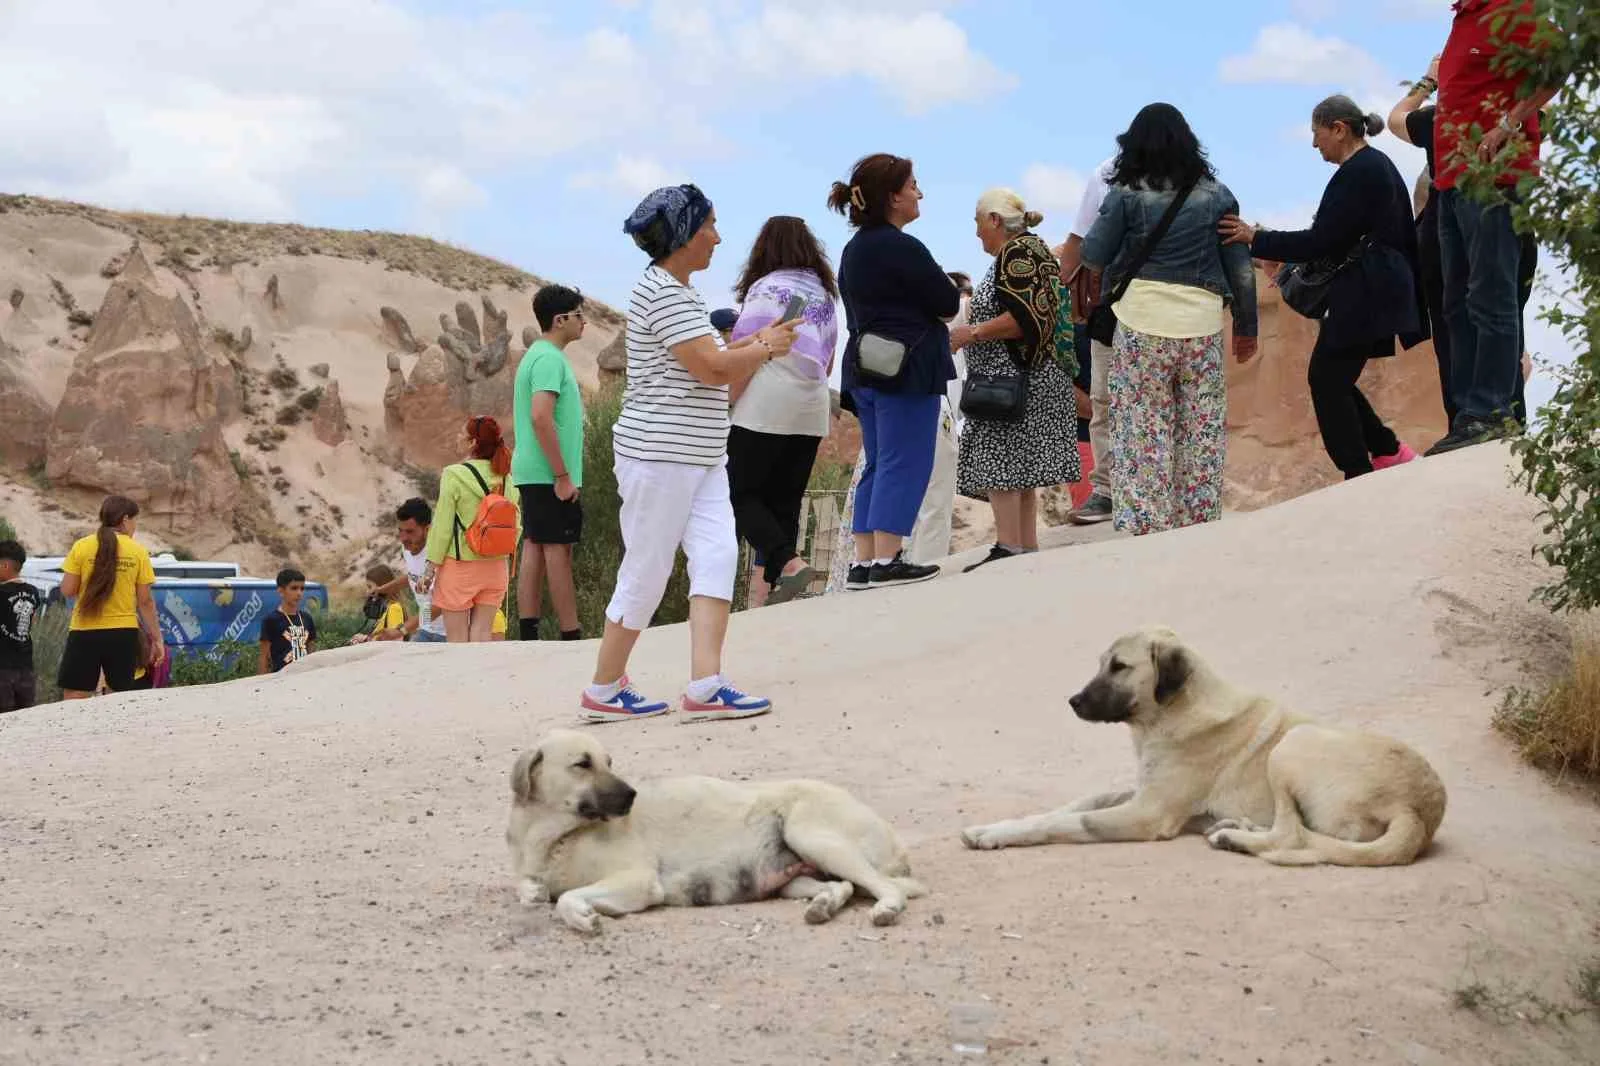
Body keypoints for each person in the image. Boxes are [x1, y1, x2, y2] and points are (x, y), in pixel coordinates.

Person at [582, 183, 800, 724]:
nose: (718, 238)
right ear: (684, 234)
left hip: (698, 455)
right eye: (709, 227)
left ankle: (705, 683)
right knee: (648, 569)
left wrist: (755, 346)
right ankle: (604, 688)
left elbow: (708, 362)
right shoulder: (664, 293)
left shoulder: (676, 292)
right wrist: (766, 348)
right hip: (660, 454)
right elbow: (711, 369)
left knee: (718, 555)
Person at [1221, 95, 1426, 481]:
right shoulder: (1372, 167)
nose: (1315, 144)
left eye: (1317, 133)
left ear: (1338, 129)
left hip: (1367, 291)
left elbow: (1322, 240)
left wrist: (1257, 238)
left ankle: (1358, 470)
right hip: (1376, 289)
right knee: (1333, 377)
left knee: (1326, 378)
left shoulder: (1360, 171)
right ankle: (1384, 450)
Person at [1083, 103, 1258, 536]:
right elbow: (1239, 268)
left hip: (1142, 322)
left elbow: (1093, 254)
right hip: (1201, 325)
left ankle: (1147, 526)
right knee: (1200, 427)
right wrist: (1247, 328)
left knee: (1142, 426)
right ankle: (1197, 522)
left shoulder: (1124, 194)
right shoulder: (1218, 195)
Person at [1426, 0, 1558, 454]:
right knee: (1457, 303)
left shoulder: (1513, 6)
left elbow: (1556, 65)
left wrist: (1507, 124)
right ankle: (1470, 415)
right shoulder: (1464, 15)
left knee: (1491, 296)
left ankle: (1492, 413)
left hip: (1495, 179)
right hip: (1452, 180)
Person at [830, 153, 961, 589]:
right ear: (892, 196)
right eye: (912, 185)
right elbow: (947, 301)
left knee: (880, 462)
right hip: (905, 368)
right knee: (905, 461)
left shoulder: (854, 249)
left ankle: (865, 562)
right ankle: (888, 560)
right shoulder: (900, 246)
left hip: (865, 367)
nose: (919, 192)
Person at [1387, 53, 1537, 431]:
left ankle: (1467, 417)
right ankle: (1509, 415)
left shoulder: (1440, 120)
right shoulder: (1520, 115)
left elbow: (1394, 119)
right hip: (1515, 222)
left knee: (1456, 324)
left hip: (1447, 229)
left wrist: (1427, 81)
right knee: (1504, 309)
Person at [949, 188, 1080, 571]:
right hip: (1031, 378)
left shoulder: (1018, 254)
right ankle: (1023, 547)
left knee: (1001, 462)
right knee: (1020, 470)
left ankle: (1008, 548)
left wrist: (969, 333)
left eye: (977, 223)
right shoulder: (1032, 250)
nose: (976, 234)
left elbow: (1024, 320)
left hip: (1012, 381)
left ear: (993, 220)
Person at [725, 215, 839, 606]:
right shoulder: (823, 293)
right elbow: (827, 362)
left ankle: (788, 566)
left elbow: (746, 352)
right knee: (785, 500)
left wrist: (729, 400)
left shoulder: (766, 287)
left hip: (768, 399)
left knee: (737, 492)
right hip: (812, 405)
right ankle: (770, 592)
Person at [513, 284, 588, 642]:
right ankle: (570, 632)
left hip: (535, 470)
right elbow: (541, 417)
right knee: (557, 548)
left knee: (536, 544)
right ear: (560, 320)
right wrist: (562, 474)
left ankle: (529, 630)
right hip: (548, 472)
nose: (583, 322)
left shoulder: (538, 355)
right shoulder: (548, 359)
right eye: (578, 315)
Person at [419, 416, 518, 644]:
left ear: (472, 443)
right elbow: (516, 524)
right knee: (483, 636)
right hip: (496, 567)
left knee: (457, 640)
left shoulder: (454, 474)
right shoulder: (506, 477)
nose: (457, 437)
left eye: (462, 434)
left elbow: (443, 526)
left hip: (461, 566)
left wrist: (430, 568)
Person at [1059, 155, 1119, 525]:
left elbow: (1083, 242)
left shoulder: (1107, 177)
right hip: (1079, 436)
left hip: (1086, 430)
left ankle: (1108, 492)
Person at [56, 495, 164, 698]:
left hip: (84, 630)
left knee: (75, 695)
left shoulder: (82, 546)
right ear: (125, 519)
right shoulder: (138, 551)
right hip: (123, 632)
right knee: (119, 698)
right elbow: (145, 602)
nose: (135, 526)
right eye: (135, 520)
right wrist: (157, 639)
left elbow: (68, 590)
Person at [905, 272, 971, 566]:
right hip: (935, 407)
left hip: (906, 407)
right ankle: (926, 565)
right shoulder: (939, 324)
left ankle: (897, 562)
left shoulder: (898, 322)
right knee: (935, 498)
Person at [371, 498, 447, 643]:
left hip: (447, 633)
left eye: (410, 532)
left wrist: (402, 630)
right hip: (426, 629)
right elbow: (412, 576)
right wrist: (382, 589)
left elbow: (439, 606)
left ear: (427, 529)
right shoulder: (407, 548)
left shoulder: (436, 555)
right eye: (400, 531)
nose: (403, 538)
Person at [0, 539, 41, 713]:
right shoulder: (33, 591)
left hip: (2, 668)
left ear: (4, 565)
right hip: (26, 667)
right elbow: (33, 621)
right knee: (25, 716)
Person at [259, 568, 316, 674]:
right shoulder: (271, 620)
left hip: (306, 676)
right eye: (294, 588)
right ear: (281, 591)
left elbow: (311, 651)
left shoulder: (307, 618)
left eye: (302, 589)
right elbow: (264, 657)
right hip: (281, 679)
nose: (299, 593)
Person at [349, 565, 407, 645]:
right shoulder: (385, 610)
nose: (367, 592)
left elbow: (396, 641)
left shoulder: (394, 608)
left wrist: (366, 639)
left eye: (369, 587)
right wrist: (363, 641)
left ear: (383, 586)